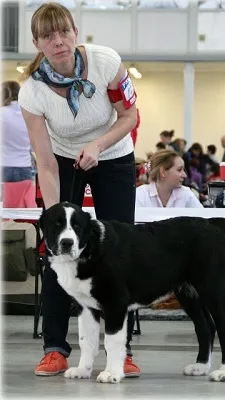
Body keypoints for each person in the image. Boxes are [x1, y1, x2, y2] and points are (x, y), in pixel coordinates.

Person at [18, 2, 140, 377]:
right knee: (58, 256)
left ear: (75, 31)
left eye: (64, 32)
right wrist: (54, 220)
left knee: (119, 252)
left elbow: (130, 117)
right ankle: (55, 348)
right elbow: (46, 161)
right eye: (48, 36)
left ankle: (123, 352)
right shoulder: (32, 92)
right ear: (37, 42)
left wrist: (99, 147)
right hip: (62, 159)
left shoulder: (106, 62)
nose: (59, 42)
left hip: (115, 154)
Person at [1, 81, 37, 208]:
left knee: (4, 212)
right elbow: (34, 145)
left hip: (4, 166)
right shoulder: (28, 114)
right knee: (22, 213)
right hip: (24, 168)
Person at [136, 149, 203, 208]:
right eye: (179, 170)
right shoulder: (140, 195)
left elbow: (203, 219)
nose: (185, 175)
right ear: (163, 172)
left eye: (184, 170)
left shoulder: (186, 194)